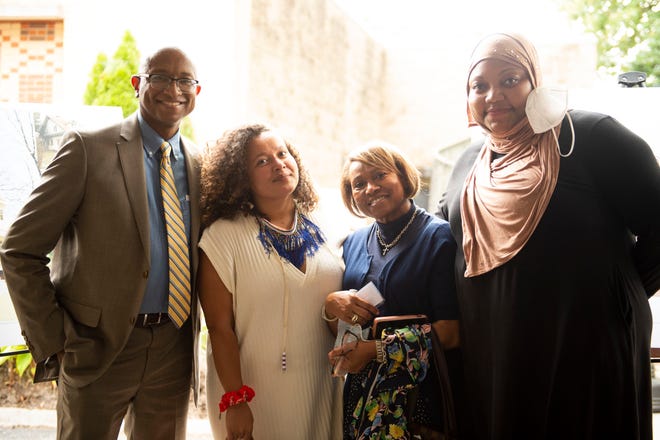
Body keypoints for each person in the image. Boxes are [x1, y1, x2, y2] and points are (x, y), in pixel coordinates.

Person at [436, 32, 660, 439]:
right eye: (478, 86)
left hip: (586, 350)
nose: (493, 96)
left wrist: (613, 299)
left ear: (535, 83)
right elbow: (442, 242)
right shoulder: (467, 163)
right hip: (496, 355)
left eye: (509, 80)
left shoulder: (590, 137)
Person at [0, 47, 202, 439]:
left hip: (172, 353)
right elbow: (19, 248)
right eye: (159, 77)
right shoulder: (87, 149)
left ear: (196, 92)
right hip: (96, 348)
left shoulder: (198, 163)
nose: (172, 89)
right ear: (136, 84)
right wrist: (55, 339)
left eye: (184, 81)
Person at [198, 123, 343, 440]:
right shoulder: (223, 236)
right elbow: (219, 329)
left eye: (282, 153)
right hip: (252, 394)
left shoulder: (323, 227)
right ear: (241, 177)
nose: (278, 163)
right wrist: (236, 400)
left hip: (322, 387)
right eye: (262, 161)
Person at [323, 142, 461, 440]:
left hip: (415, 398)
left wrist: (375, 351)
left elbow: (450, 333)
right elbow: (345, 324)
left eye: (380, 176)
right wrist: (332, 305)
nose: (370, 188)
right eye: (358, 184)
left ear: (402, 176)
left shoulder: (438, 237)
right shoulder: (353, 244)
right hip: (362, 398)